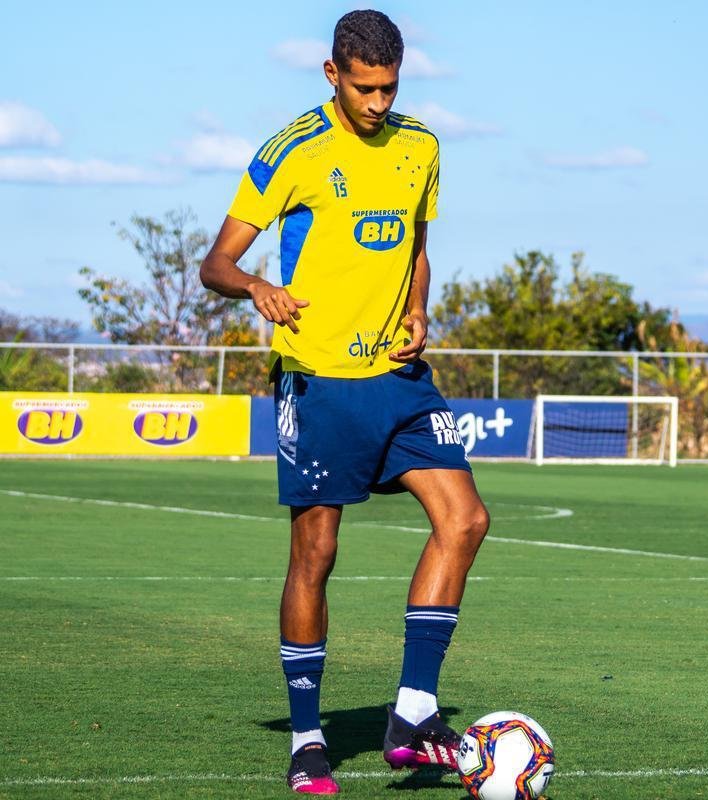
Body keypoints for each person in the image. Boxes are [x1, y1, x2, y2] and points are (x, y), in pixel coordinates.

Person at [200, 9, 489, 795]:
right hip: (317, 381)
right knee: (316, 556)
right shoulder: (291, 148)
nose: (379, 102)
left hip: (400, 379)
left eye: (390, 87)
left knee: (465, 519)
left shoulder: (420, 145)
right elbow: (216, 263)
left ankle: (413, 713)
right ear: (333, 75)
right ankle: (305, 740)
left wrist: (420, 313)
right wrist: (257, 285)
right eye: (365, 88)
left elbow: (417, 249)